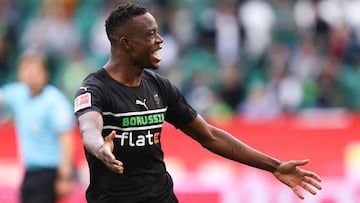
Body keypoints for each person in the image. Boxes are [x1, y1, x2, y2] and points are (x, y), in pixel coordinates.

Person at [74, 2, 322, 203]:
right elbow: (89, 128)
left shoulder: (160, 86)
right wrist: (99, 148)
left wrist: (275, 166)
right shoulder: (94, 88)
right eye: (150, 35)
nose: (160, 40)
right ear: (126, 44)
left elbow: (210, 136)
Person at [0, 52, 75, 203]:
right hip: (28, 172)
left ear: (45, 73)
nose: (30, 75)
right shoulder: (19, 94)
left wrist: (64, 177)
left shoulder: (54, 101)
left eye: (35, 70)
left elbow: (66, 138)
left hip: (49, 173)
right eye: (25, 70)